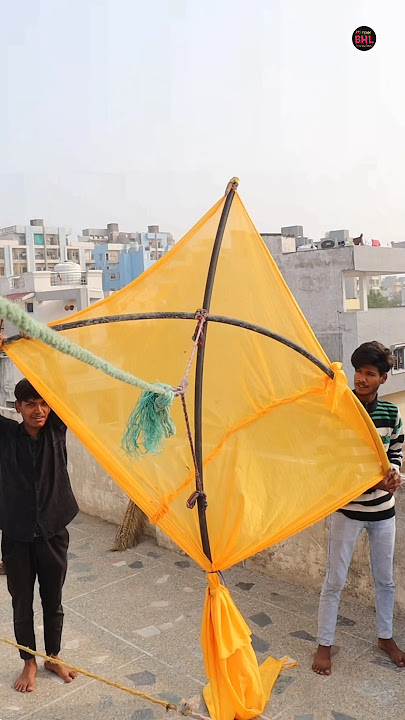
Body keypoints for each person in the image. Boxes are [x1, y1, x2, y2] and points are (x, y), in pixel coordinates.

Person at [313, 341, 405, 675]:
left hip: (384, 512)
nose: (361, 379)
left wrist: (393, 475)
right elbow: (335, 461)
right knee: (334, 579)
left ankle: (385, 637)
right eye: (358, 372)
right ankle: (324, 644)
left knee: (386, 581)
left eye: (369, 374)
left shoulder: (391, 413)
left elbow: (394, 451)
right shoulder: (342, 408)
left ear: (383, 378)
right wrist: (372, 483)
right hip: (347, 511)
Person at [0, 333, 79, 692]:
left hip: (52, 533)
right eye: (30, 404)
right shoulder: (6, 437)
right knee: (21, 603)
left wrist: (37, 348)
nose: (39, 410)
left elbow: (62, 380)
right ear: (16, 407)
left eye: (43, 403)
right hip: (16, 536)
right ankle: (29, 662)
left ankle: (54, 657)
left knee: (54, 600)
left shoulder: (56, 431)